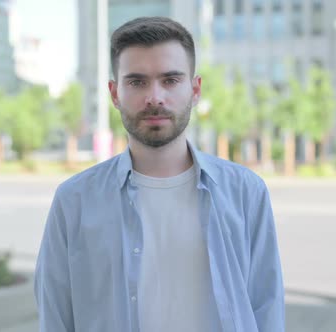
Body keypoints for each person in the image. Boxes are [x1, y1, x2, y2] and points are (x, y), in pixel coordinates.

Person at [34, 16, 284, 332]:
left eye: (170, 80)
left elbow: (267, 307)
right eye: (137, 82)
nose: (155, 97)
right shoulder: (74, 200)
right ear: (114, 93)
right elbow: (55, 315)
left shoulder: (246, 192)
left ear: (195, 90)